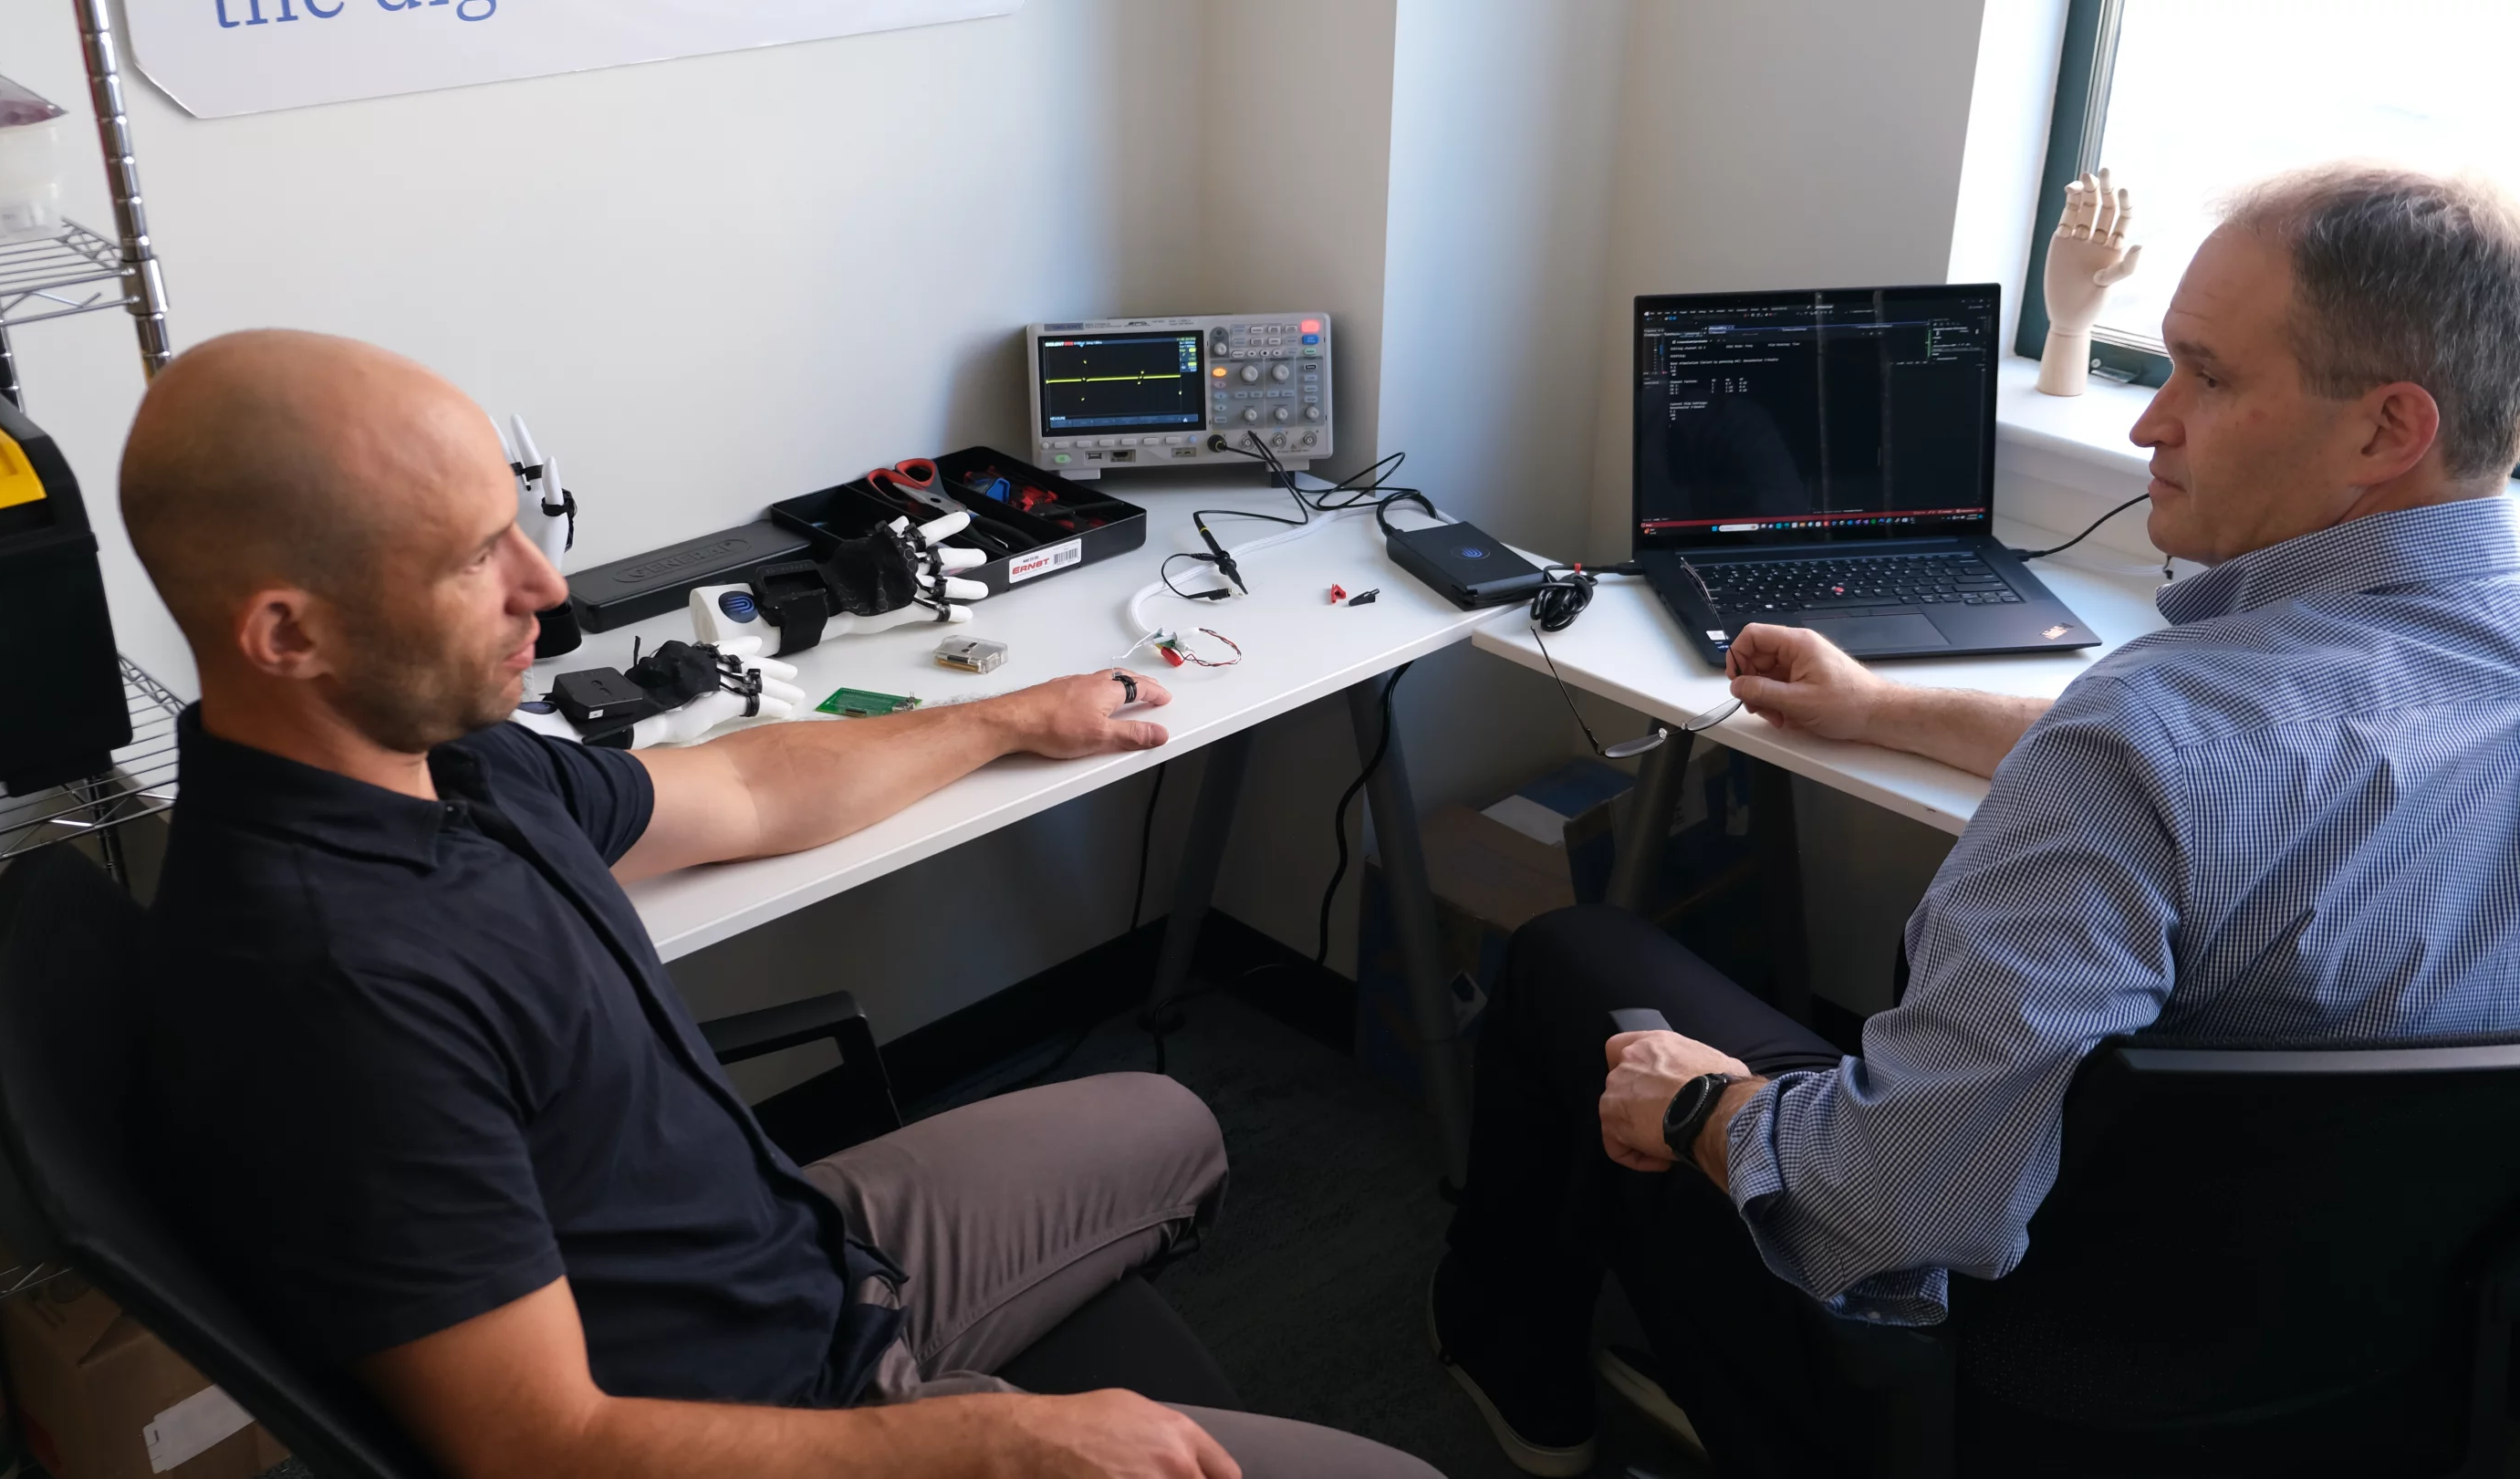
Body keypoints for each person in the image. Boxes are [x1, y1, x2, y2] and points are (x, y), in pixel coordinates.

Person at [124, 329, 1442, 1479]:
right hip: (772, 1408)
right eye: (476, 560)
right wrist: (985, 1444)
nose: (548, 593)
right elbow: (541, 1451)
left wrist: (1013, 714)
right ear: (287, 635)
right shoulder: (333, 986)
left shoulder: (434, 755)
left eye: (518, 525)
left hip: (791, 1250)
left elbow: (744, 788)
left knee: (1168, 1124)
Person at [1431, 162, 2520, 1475]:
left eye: (2206, 375)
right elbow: (2275, 770)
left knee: (1574, 965)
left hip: (2005, 1378)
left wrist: (1699, 1112)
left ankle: (1521, 1391)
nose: (2149, 425)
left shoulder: (2137, 746)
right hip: (2368, 1377)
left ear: (2386, 430)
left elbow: (1891, 1204)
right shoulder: (2200, 742)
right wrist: (1880, 704)